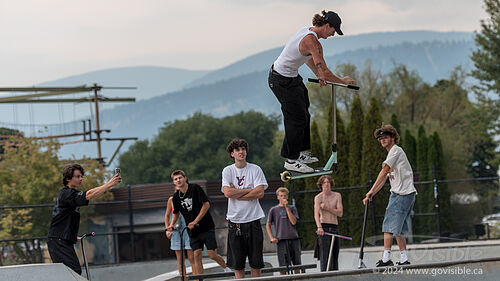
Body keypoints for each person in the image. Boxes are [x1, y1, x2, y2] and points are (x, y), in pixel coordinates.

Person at [268, 10, 355, 173]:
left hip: (291, 77)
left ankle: (300, 152)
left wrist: (318, 74)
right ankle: (291, 159)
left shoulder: (308, 31)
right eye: (333, 30)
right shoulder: (312, 42)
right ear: (326, 26)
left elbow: (307, 58)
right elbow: (327, 73)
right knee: (296, 117)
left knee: (304, 112)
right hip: (280, 80)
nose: (333, 34)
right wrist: (341, 81)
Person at [47, 164, 121, 275]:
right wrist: (110, 184)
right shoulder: (66, 193)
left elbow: (63, 218)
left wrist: (72, 236)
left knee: (71, 271)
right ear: (68, 178)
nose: (81, 179)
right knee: (73, 271)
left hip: (63, 240)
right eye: (77, 176)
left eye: (81, 176)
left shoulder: (72, 195)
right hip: (57, 240)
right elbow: (89, 194)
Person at [362, 124, 417, 267]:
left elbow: (384, 171)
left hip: (401, 194)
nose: (383, 140)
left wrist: (370, 191)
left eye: (385, 137)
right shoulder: (392, 153)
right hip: (406, 194)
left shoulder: (395, 151)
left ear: (393, 138)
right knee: (399, 228)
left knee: (388, 226)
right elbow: (385, 178)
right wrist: (372, 193)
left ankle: (386, 258)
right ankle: (404, 259)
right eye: (380, 138)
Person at [168, 170, 230, 276]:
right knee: (196, 254)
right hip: (193, 231)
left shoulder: (195, 188)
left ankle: (226, 268)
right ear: (173, 182)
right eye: (175, 179)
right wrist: (171, 224)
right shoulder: (176, 197)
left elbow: (206, 205)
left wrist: (195, 221)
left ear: (185, 178)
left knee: (212, 254)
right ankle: (200, 278)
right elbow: (176, 213)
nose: (178, 180)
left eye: (180, 178)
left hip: (206, 227)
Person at [221, 138, 268, 278]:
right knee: (238, 264)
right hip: (235, 222)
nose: (241, 152)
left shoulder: (255, 169)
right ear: (232, 154)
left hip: (253, 221)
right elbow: (228, 193)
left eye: (243, 149)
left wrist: (237, 193)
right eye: (237, 150)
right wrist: (249, 190)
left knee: (256, 262)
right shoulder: (227, 170)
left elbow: (260, 193)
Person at [266, 187, 302, 275]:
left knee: (297, 265)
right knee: (283, 267)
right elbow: (268, 224)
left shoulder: (292, 208)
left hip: (293, 239)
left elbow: (293, 222)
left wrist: (287, 208)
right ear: (278, 197)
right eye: (281, 196)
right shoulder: (273, 210)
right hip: (281, 240)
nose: (283, 197)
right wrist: (272, 238)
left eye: (285, 196)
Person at [314, 175, 343, 271]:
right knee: (325, 256)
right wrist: (319, 227)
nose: (327, 184)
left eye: (328, 182)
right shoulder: (318, 197)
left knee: (335, 255)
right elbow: (316, 214)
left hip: (334, 227)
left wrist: (327, 208)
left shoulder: (337, 196)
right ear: (321, 185)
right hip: (324, 227)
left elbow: (340, 213)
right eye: (324, 182)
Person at [165, 196, 195, 279]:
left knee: (192, 258)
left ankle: (196, 279)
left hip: (188, 228)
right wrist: (167, 229)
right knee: (180, 260)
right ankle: (183, 279)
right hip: (175, 230)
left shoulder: (190, 198)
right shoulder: (171, 199)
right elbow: (167, 215)